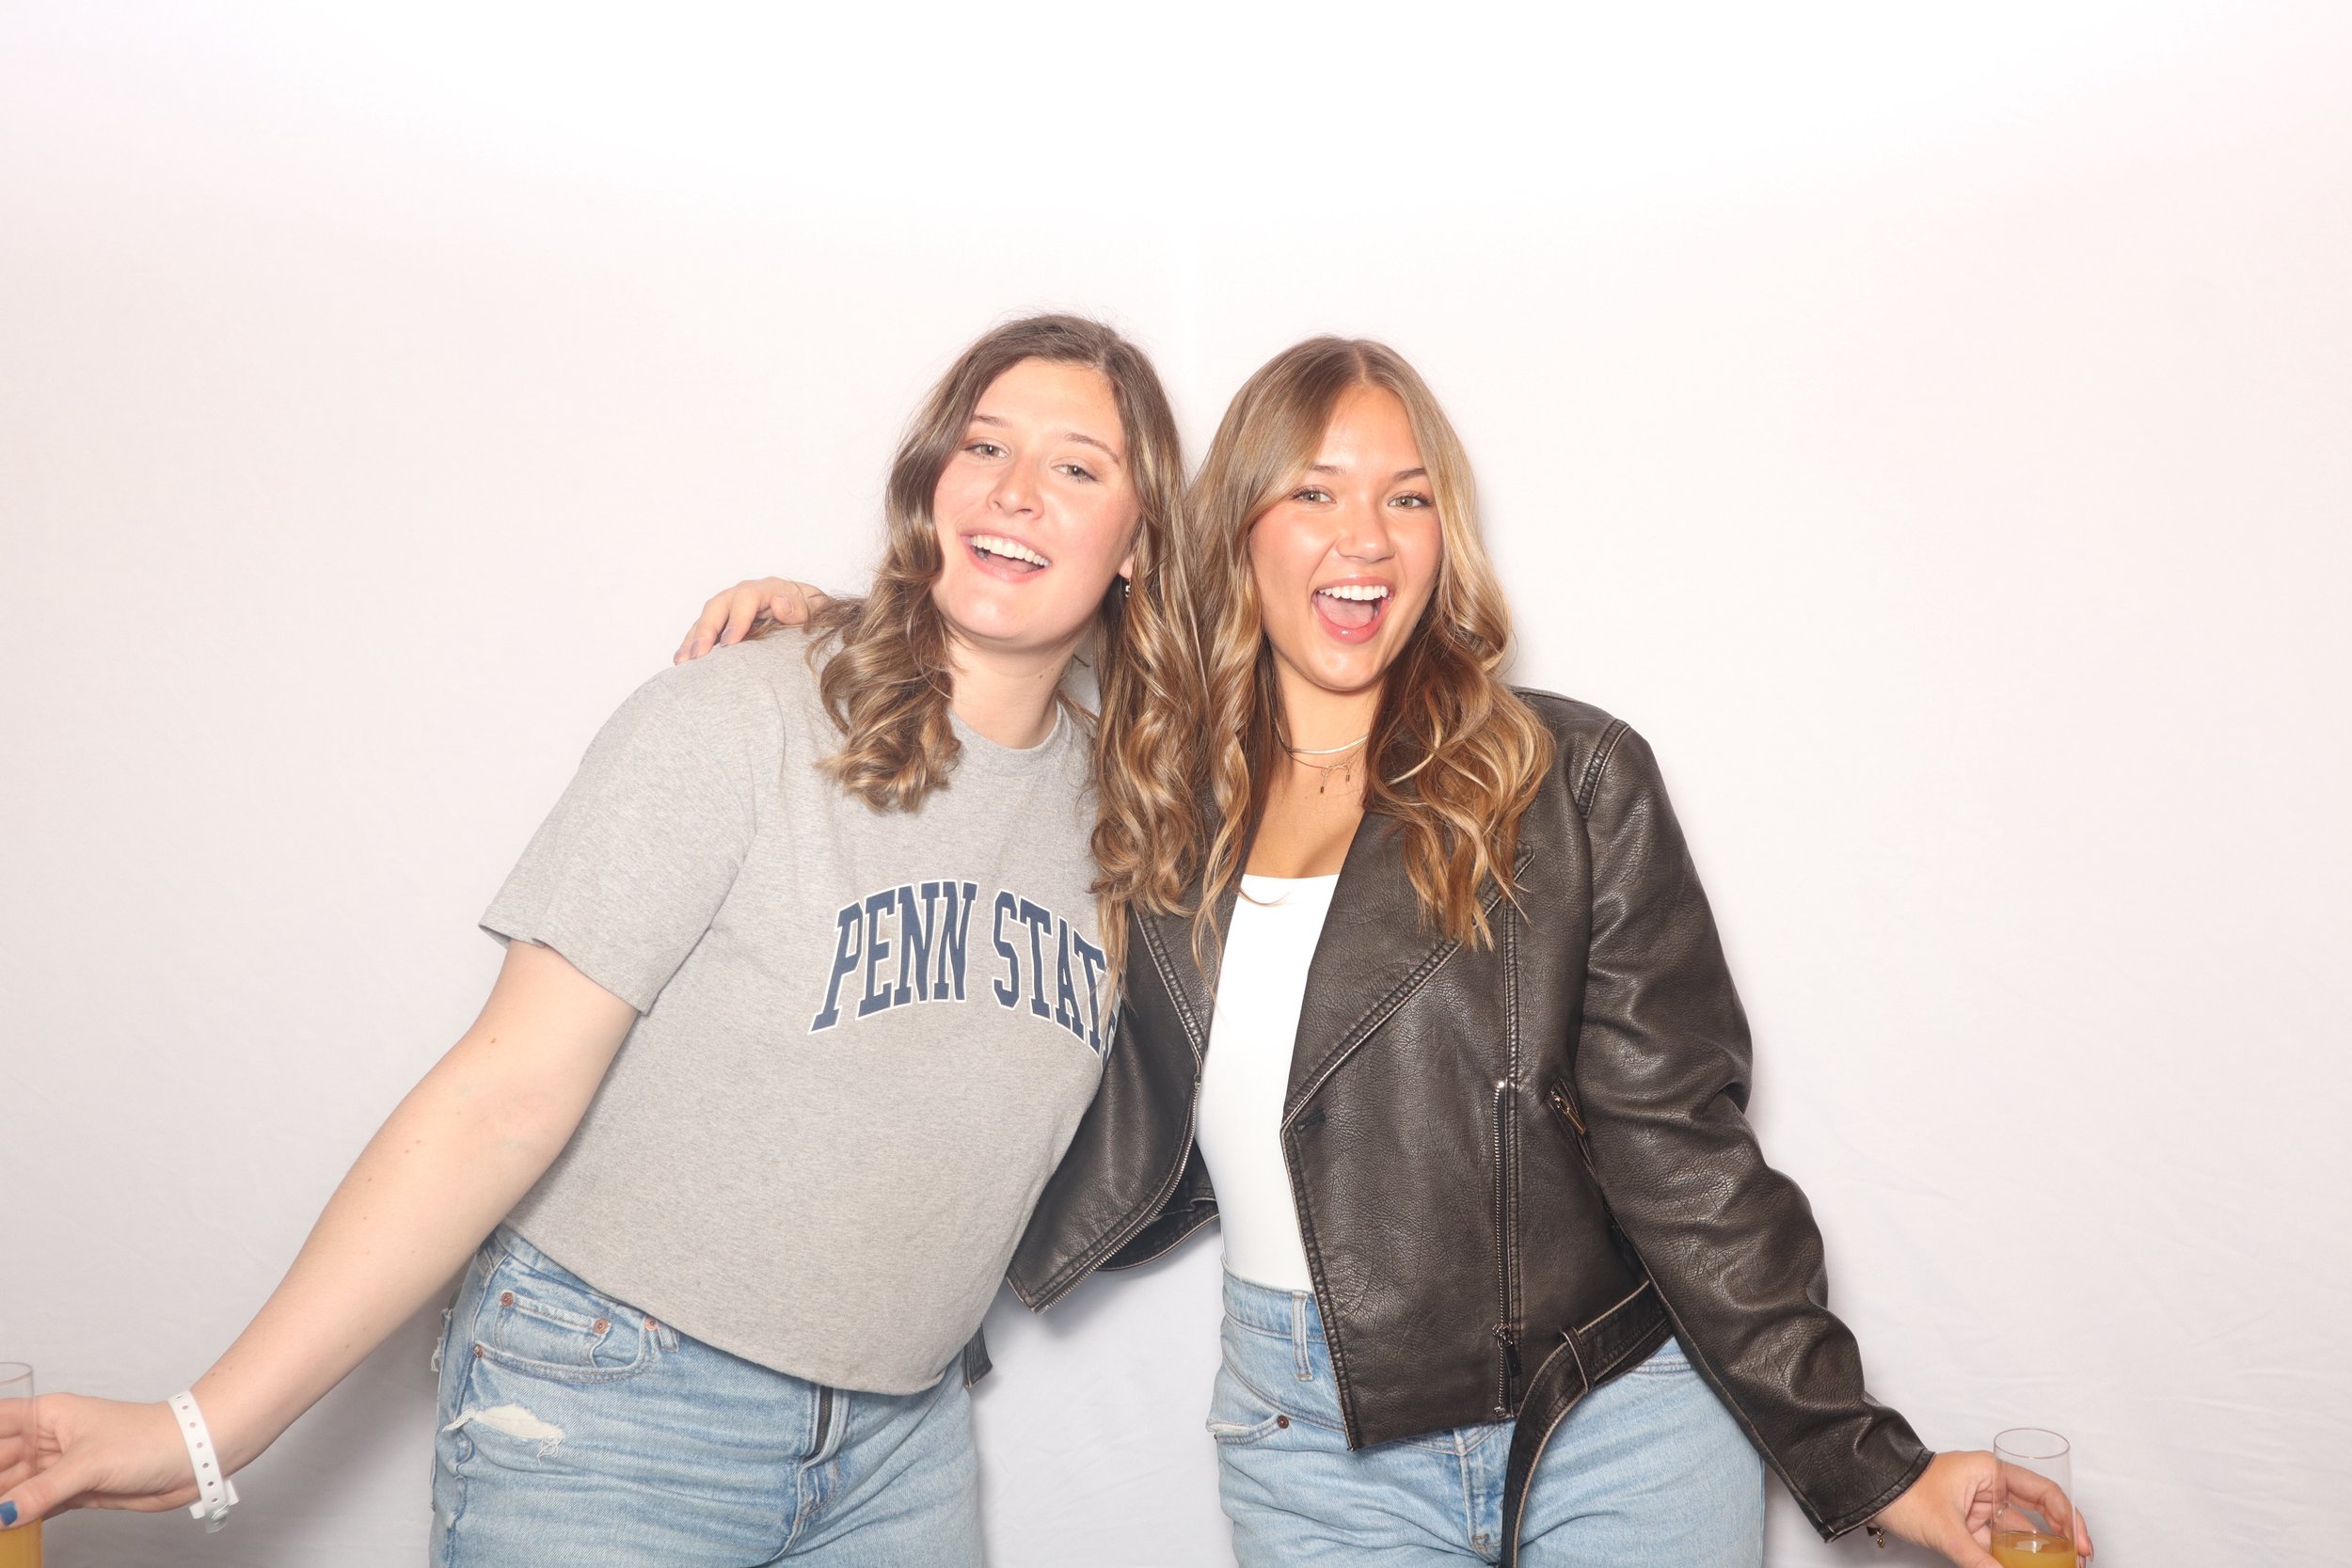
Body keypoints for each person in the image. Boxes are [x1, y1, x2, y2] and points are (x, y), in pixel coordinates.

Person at [683, 338, 2095, 1568]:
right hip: (1312, 1430)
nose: (1366, 538)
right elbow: (1020, 654)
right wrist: (863, 631)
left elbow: (1683, 1148)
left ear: (1443, 535)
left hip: (1616, 1407)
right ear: (1238, 529)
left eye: (1406, 499)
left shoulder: (1568, 776)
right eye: (1316, 494)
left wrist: (1877, 1465)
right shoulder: (1147, 781)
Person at [0, 313, 1197, 1567]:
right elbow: (500, 1100)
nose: (1014, 491)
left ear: (1139, 539)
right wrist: (207, 1432)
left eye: (1077, 467)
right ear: (930, 487)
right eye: (982, 446)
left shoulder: (1128, 813)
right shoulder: (735, 721)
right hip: (613, 1413)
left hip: (905, 1448)